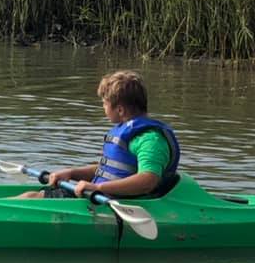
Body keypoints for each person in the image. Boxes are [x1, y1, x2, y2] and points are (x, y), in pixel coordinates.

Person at [15, 69, 180, 199]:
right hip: (98, 196)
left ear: (120, 109)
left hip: (115, 203)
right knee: (30, 196)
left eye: (104, 103)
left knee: (30, 197)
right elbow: (107, 170)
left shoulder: (150, 140)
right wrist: (72, 173)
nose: (103, 107)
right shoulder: (127, 131)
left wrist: (98, 187)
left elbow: (147, 181)